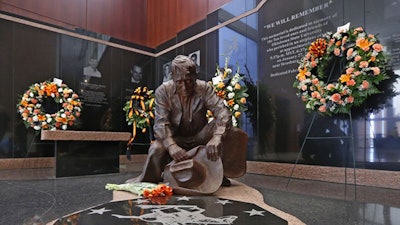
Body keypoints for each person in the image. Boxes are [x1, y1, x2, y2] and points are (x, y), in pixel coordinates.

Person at [126, 55, 247, 192]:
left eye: (189, 81)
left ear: (195, 77)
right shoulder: (163, 91)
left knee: (232, 132)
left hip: (200, 136)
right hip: (176, 139)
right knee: (157, 149)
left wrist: (217, 136)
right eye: (179, 82)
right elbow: (161, 123)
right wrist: (171, 146)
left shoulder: (204, 88)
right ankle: (157, 177)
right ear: (172, 77)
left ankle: (219, 173)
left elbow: (222, 112)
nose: (184, 87)